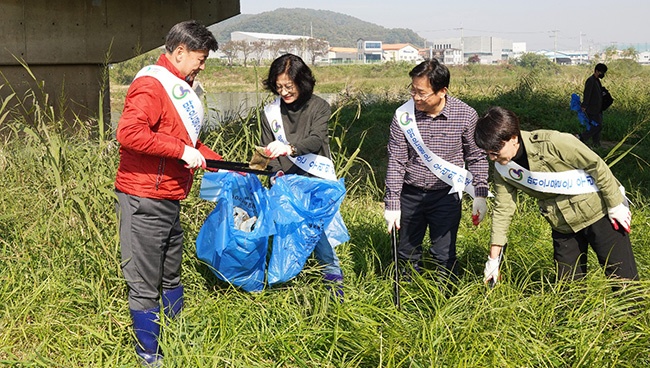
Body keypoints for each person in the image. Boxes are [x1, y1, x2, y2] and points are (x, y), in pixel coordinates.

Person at [114, 20, 221, 365]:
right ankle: (150, 355)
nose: (202, 65)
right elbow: (129, 134)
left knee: (170, 273)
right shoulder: (152, 85)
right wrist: (179, 151)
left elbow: (189, 142)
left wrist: (225, 163)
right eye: (200, 59)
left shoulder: (178, 85)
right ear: (179, 52)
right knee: (145, 283)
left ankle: (177, 337)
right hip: (144, 197)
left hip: (169, 196)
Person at [474, 106, 638, 287]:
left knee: (624, 282)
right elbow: (503, 211)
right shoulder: (503, 169)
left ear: (514, 137)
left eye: (495, 150)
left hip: (600, 213)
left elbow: (596, 165)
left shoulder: (553, 143)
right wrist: (493, 259)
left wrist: (615, 205)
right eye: (487, 152)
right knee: (568, 291)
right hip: (562, 225)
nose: (492, 157)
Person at [383, 59, 490, 291]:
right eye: (412, 90)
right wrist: (392, 203)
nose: (416, 98)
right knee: (406, 252)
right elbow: (396, 161)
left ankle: (444, 300)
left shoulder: (465, 115)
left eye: (422, 93)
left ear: (442, 91)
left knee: (444, 253)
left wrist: (480, 194)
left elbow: (476, 157)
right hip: (410, 194)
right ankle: (409, 297)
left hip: (446, 195)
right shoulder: (404, 115)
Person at [259, 53, 345, 298]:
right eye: (279, 87)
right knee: (285, 240)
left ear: (302, 82)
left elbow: (317, 138)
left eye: (289, 86)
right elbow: (268, 150)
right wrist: (275, 175)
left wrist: (291, 148)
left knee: (323, 243)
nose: (284, 92)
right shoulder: (271, 112)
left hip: (316, 182)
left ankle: (335, 293)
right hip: (286, 185)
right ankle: (286, 292)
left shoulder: (319, 106)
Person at [578, 63, 608, 147]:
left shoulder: (597, 80)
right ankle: (581, 137)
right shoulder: (590, 80)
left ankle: (596, 144)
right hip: (592, 108)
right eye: (601, 72)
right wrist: (584, 106)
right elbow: (587, 94)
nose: (603, 74)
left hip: (598, 108)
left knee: (596, 126)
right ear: (596, 71)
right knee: (597, 126)